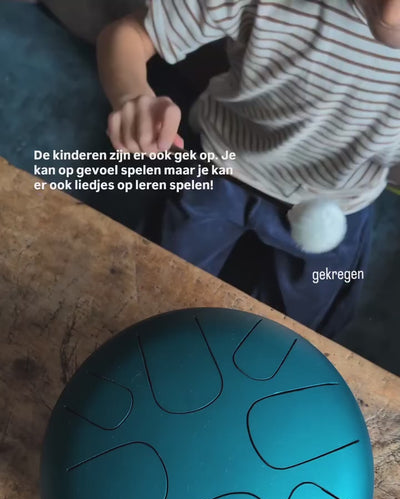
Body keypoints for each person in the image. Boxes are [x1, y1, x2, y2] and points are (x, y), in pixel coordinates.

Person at [97, 1, 400, 336]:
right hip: (220, 163)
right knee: (148, 294)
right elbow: (130, 34)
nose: (391, 12)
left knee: (299, 338)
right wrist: (131, 96)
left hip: (342, 199)